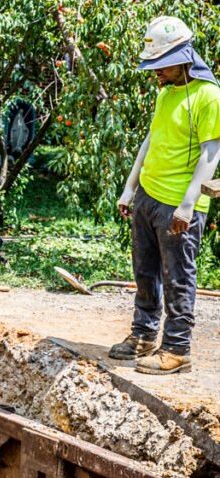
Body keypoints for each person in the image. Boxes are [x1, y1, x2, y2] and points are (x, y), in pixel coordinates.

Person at [110, 16, 220, 375]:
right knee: (144, 271)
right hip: (148, 196)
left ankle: (176, 349)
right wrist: (130, 188)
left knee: (178, 277)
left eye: (160, 65)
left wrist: (188, 205)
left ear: (183, 57)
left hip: (179, 204)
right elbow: (151, 140)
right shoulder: (165, 92)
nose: (154, 72)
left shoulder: (208, 96)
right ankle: (143, 334)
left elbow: (212, 151)